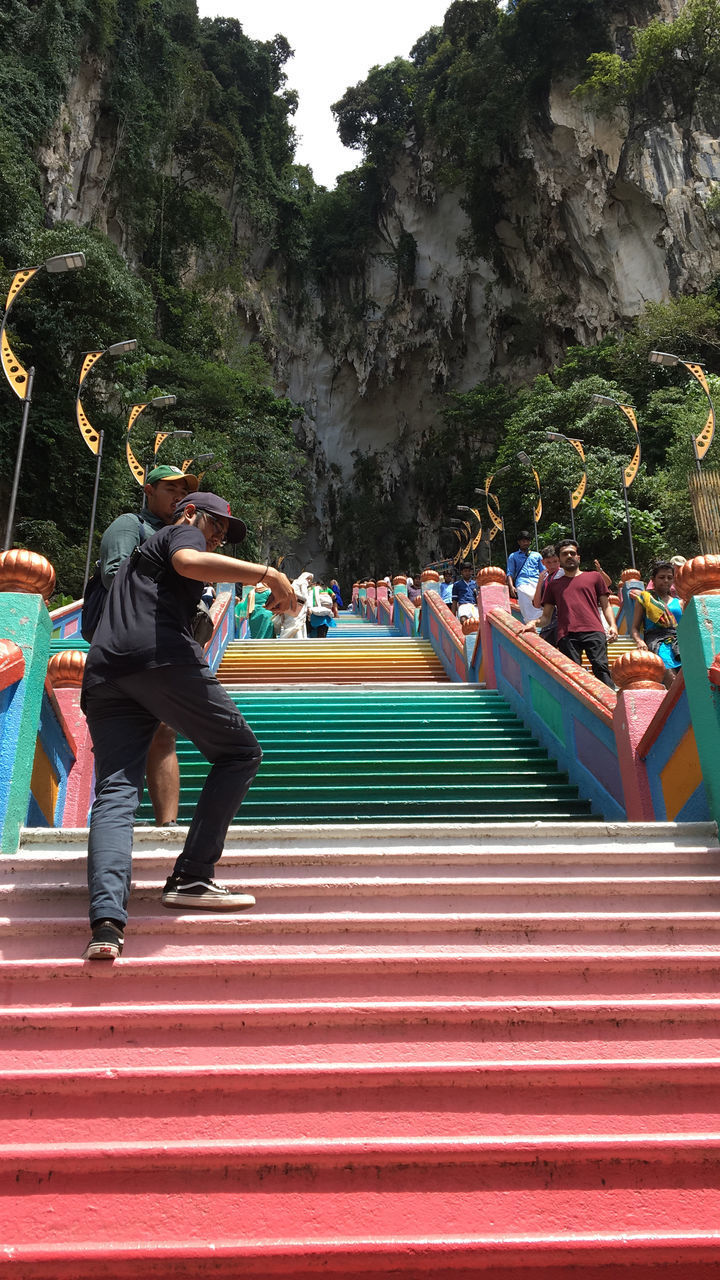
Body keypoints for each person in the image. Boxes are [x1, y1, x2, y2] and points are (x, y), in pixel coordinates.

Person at [81, 491, 296, 960]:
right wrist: (271, 574)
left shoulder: (138, 563)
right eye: (215, 525)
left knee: (115, 794)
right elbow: (188, 560)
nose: (217, 538)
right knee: (240, 753)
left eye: (223, 534)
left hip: (104, 673)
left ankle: (106, 924)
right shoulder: (177, 533)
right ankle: (193, 875)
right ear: (191, 512)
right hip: (159, 658)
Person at [95, 463, 198, 826]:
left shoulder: (177, 536)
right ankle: (118, 819)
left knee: (164, 729)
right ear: (149, 490)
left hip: (159, 644)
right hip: (125, 644)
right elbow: (114, 576)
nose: (179, 496)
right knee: (135, 732)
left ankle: (167, 826)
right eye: (171, 489)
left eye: (183, 492)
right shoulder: (129, 525)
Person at [520, 538, 618, 688]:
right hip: (567, 635)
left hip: (594, 630)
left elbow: (606, 605)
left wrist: (613, 625)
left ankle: (611, 708)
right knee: (573, 676)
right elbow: (546, 616)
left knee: (601, 669)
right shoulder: (554, 585)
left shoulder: (594, 577)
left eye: (572, 553)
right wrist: (534, 623)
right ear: (560, 559)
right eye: (565, 554)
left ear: (578, 557)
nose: (569, 556)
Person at [631, 560, 682, 688]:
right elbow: (634, 628)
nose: (666, 581)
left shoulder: (680, 603)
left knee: (685, 680)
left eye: (669, 578)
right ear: (653, 579)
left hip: (679, 643)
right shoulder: (645, 600)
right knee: (672, 680)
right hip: (657, 643)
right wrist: (639, 641)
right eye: (661, 577)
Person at [506, 532, 544, 623]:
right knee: (525, 602)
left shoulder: (537, 555)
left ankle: (541, 621)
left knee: (540, 603)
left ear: (530, 542)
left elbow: (543, 571)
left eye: (527, 540)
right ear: (519, 542)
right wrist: (511, 587)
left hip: (536, 582)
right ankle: (529, 621)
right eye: (523, 541)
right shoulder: (513, 556)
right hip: (522, 583)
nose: (525, 543)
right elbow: (510, 573)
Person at [532, 545, 560, 647]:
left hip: (562, 621)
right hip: (548, 622)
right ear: (543, 562)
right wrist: (539, 582)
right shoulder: (544, 578)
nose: (552, 565)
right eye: (548, 562)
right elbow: (536, 604)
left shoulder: (563, 574)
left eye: (555, 561)